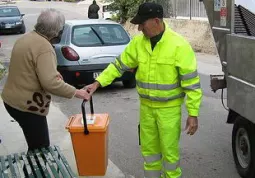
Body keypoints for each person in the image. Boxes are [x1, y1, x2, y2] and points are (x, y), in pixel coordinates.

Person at [85, 2, 203, 178]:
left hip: (169, 111)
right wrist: (98, 83)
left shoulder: (179, 46)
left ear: (156, 21)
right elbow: (118, 65)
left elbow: (192, 84)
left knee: (170, 156)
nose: (139, 28)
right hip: (146, 109)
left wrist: (193, 114)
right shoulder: (138, 44)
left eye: (142, 23)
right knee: (149, 154)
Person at [1, 8, 90, 151]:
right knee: (40, 149)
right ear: (56, 31)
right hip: (27, 106)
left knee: (35, 145)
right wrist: (77, 92)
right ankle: (32, 172)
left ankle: (31, 170)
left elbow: (28, 68)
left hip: (11, 100)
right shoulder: (44, 47)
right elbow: (51, 84)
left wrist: (52, 73)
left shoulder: (26, 38)